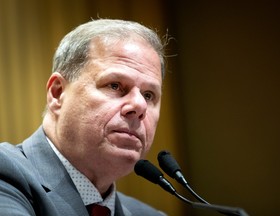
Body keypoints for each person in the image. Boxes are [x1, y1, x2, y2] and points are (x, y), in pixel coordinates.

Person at [0, 19, 168, 215]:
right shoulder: (6, 178)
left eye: (148, 95)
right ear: (58, 93)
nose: (139, 106)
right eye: (115, 85)